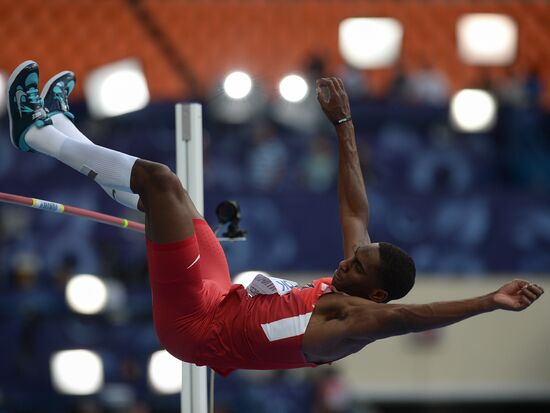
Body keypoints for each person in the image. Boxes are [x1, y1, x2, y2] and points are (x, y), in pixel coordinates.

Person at [7, 61, 544, 376]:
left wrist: (489, 302)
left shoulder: (352, 325)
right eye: (358, 254)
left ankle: (35, 133)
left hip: (196, 330)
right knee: (166, 203)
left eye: (359, 266)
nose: (349, 258)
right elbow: (356, 207)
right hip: (218, 299)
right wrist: (345, 124)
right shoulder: (352, 278)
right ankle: (57, 128)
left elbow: (413, 317)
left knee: (162, 182)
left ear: (376, 297)